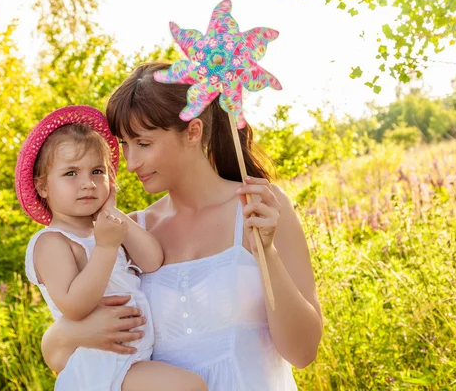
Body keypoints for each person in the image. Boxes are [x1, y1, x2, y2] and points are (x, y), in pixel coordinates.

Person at [41, 63, 323, 390]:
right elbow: (77, 360)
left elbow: (303, 353)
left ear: (192, 132)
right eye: (124, 145)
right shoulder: (130, 232)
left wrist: (267, 253)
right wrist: (59, 336)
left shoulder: (260, 207)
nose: (130, 164)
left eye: (143, 144)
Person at [15, 105, 208, 390]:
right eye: (71, 173)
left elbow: (152, 260)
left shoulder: (108, 228)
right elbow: (74, 307)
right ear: (43, 187)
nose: (88, 184)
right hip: (102, 364)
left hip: (133, 359)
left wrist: (113, 215)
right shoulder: (52, 242)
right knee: (189, 386)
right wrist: (105, 248)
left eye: (97, 171)